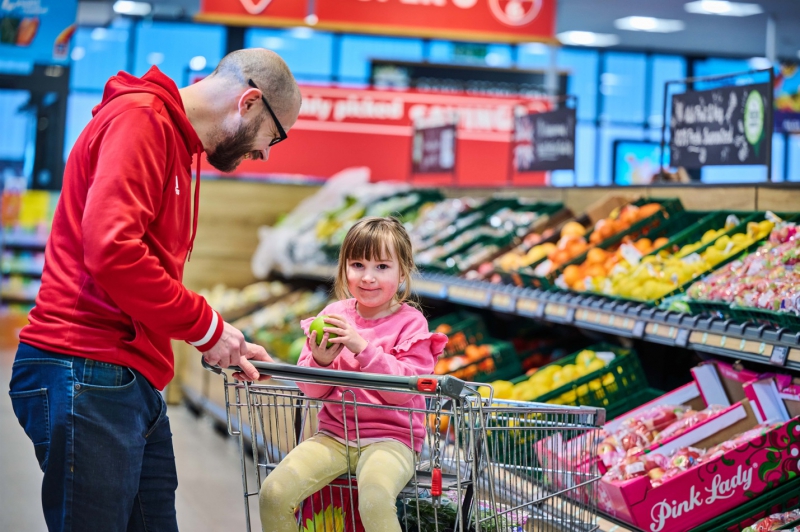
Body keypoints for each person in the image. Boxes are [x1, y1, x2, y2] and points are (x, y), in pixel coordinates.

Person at [8, 49, 302, 532]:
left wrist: (216, 338)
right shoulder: (141, 120)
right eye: (274, 136)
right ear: (249, 102)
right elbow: (113, 251)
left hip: (123, 374)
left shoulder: (170, 138)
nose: (265, 154)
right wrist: (207, 328)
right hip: (87, 363)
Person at [259, 216, 448, 532]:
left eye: (382, 267)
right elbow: (313, 391)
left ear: (403, 272)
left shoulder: (411, 324)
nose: (368, 277)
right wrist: (319, 361)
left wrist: (364, 349)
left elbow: (403, 393)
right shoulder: (332, 316)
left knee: (374, 498)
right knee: (273, 494)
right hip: (334, 435)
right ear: (344, 268)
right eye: (357, 264)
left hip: (393, 440)